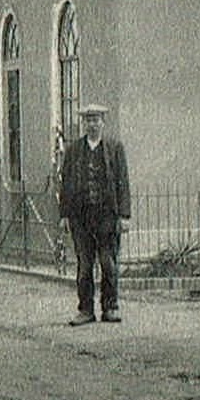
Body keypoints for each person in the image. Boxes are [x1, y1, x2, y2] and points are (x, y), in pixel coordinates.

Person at [58, 103, 131, 325]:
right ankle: (86, 310)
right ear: (84, 123)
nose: (92, 124)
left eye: (96, 119)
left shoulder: (114, 148)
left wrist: (124, 215)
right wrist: (64, 215)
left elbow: (122, 182)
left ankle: (110, 307)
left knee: (108, 263)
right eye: (89, 120)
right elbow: (66, 184)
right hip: (81, 217)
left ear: (103, 122)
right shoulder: (73, 151)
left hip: (107, 216)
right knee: (84, 265)